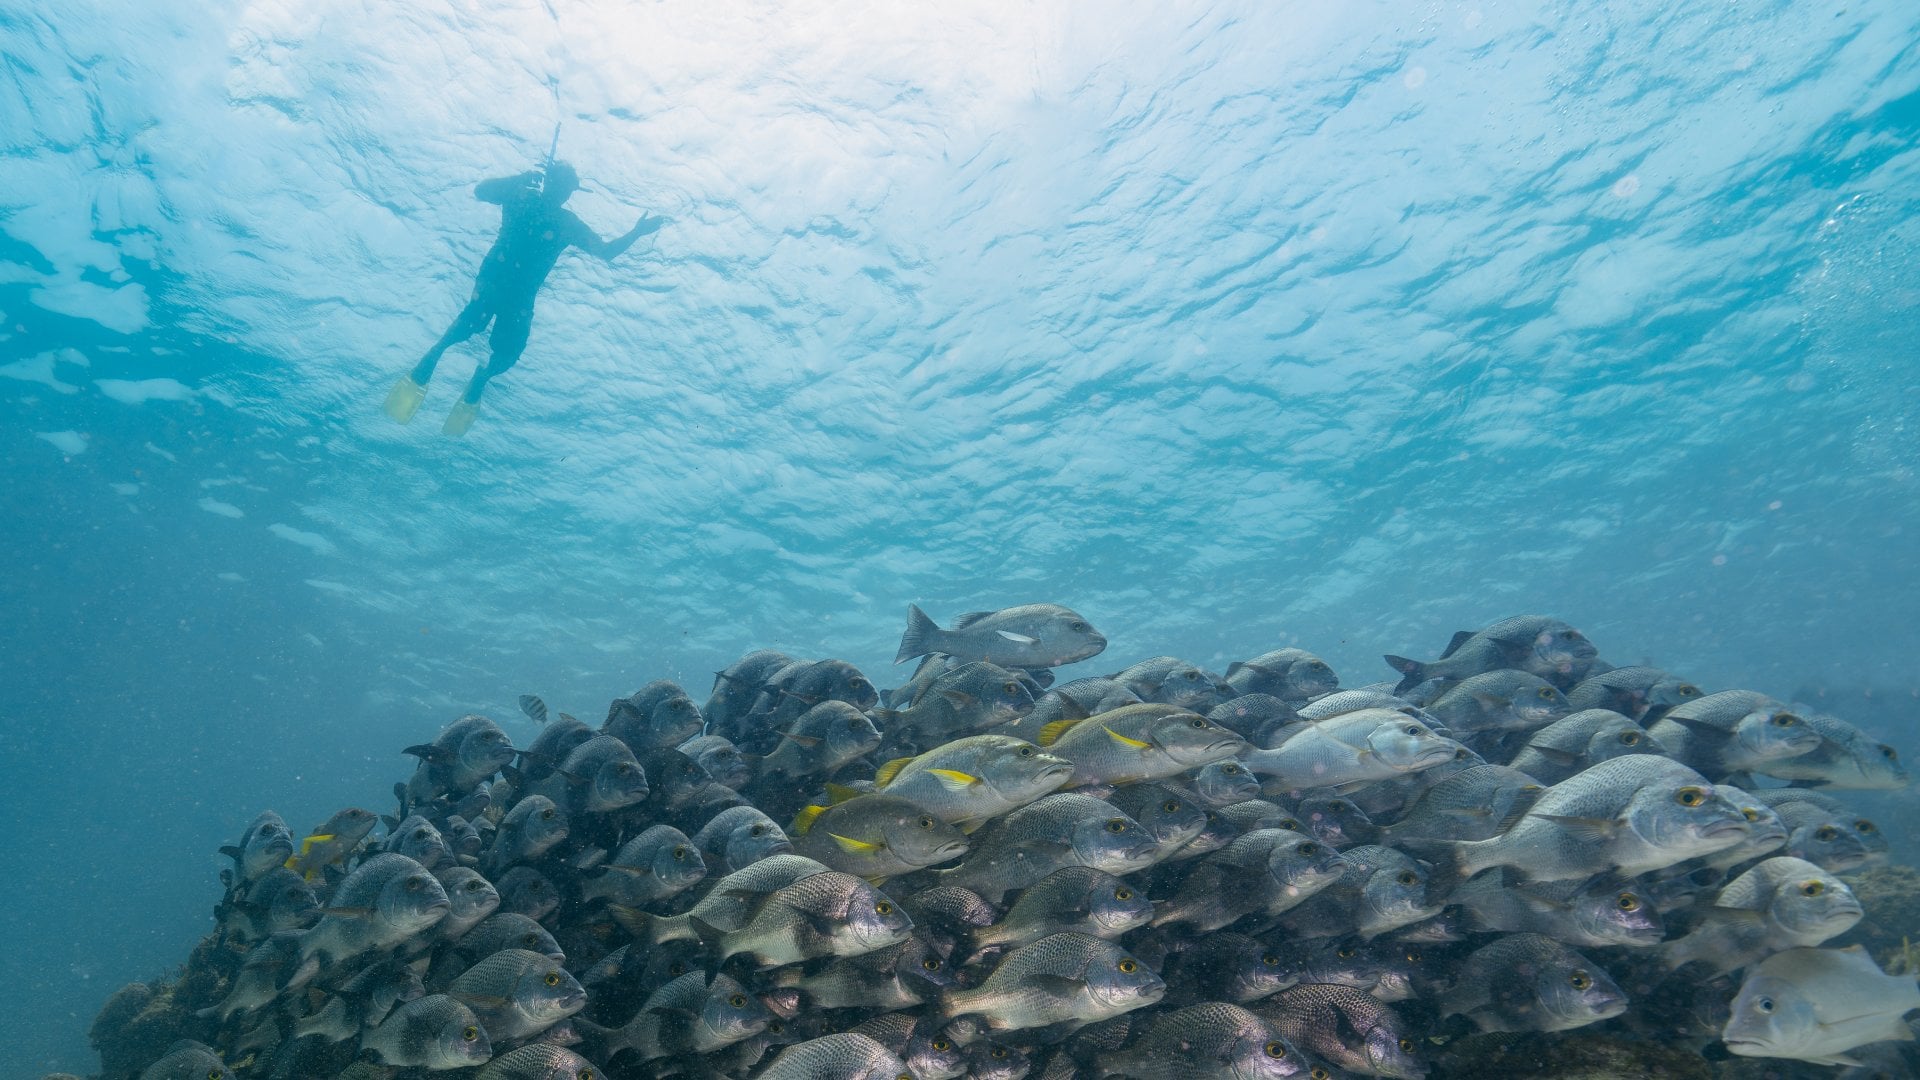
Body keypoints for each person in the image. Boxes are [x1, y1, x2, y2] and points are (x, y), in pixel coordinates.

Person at [383, 161, 666, 435]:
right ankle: (456, 366)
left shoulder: (543, 209)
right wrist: (517, 180)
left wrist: (637, 232)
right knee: (483, 338)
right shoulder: (538, 205)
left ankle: (471, 372)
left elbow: (605, 252)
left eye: (568, 187)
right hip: (506, 290)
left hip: (507, 290)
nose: (563, 192)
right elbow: (481, 191)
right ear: (554, 183)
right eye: (564, 185)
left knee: (492, 342)